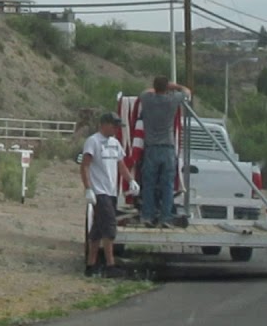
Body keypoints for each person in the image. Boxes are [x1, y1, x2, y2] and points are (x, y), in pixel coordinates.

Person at [82, 112, 138, 277]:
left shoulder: (115, 143)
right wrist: (88, 188)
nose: (115, 129)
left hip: (111, 191)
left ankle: (91, 265)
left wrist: (131, 181)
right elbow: (85, 166)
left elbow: (121, 165)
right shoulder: (93, 141)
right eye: (113, 126)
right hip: (99, 191)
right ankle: (110, 265)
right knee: (109, 227)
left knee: (98, 230)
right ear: (104, 124)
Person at [137, 75, 192, 228]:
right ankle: (165, 217)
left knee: (149, 184)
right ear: (166, 87)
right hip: (167, 147)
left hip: (151, 147)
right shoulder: (172, 100)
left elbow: (145, 91)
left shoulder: (147, 99)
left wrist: (159, 87)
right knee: (167, 185)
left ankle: (147, 215)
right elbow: (187, 92)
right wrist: (173, 86)